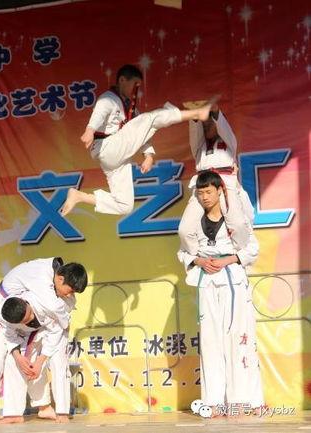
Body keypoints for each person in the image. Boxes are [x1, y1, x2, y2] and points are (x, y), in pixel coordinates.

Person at [61, 64, 216, 216]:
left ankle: (79, 196)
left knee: (124, 205)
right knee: (151, 118)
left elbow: (141, 133)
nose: (136, 89)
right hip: (108, 146)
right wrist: (90, 129)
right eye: (134, 84)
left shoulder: (131, 109)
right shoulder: (108, 99)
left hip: (115, 158)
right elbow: (99, 113)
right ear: (122, 80)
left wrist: (148, 155)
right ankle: (196, 113)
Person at [177, 171, 264, 417]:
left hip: (233, 281)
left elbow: (252, 249)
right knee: (210, 341)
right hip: (207, 283)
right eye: (200, 193)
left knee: (238, 339)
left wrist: (228, 259)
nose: (205, 197)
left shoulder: (235, 220)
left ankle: (241, 401)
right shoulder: (194, 224)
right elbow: (183, 252)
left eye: (208, 192)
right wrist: (199, 260)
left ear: (219, 191)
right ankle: (214, 401)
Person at [0, 258, 87, 425]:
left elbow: (58, 317)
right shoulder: (41, 278)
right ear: (60, 278)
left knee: (49, 362)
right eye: (70, 291)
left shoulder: (53, 288)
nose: (71, 295)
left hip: (34, 318)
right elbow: (53, 308)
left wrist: (63, 323)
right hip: (5, 309)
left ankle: (50, 408)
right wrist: (17, 355)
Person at [178, 102, 253, 255]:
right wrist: (195, 116)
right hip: (203, 185)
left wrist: (215, 111)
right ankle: (197, 255)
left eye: (209, 125)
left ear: (217, 125)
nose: (206, 128)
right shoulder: (199, 147)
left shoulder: (229, 142)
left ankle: (238, 255)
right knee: (184, 229)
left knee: (238, 224)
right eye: (204, 126)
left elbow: (225, 128)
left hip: (224, 184)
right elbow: (195, 132)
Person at [0, 296, 71, 424]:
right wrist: (18, 357)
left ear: (26, 302)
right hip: (27, 335)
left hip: (55, 331)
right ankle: (14, 413)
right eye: (26, 320)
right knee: (12, 362)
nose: (31, 318)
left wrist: (39, 361)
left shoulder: (46, 302)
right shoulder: (4, 318)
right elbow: (9, 336)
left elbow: (55, 333)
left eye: (30, 313)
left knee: (58, 362)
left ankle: (62, 412)